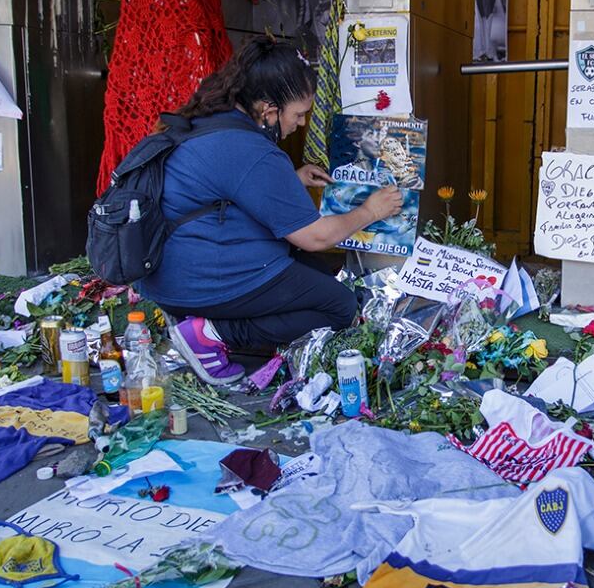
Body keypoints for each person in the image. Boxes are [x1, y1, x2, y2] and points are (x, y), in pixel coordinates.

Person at [137, 39, 404, 385]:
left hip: (170, 268)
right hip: (195, 277)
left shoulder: (216, 120)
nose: (302, 122)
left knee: (319, 277)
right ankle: (211, 333)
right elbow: (317, 237)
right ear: (268, 109)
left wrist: (290, 180)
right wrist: (370, 210)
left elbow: (225, 191)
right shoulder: (253, 150)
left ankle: (197, 316)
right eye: (297, 114)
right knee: (339, 305)